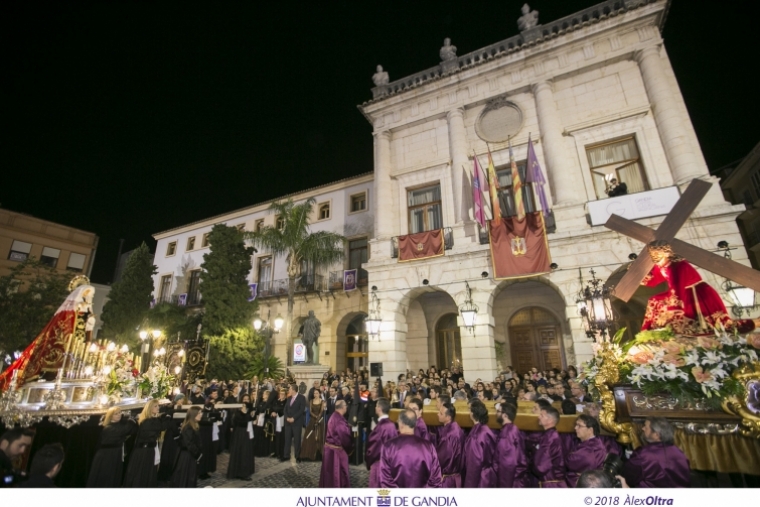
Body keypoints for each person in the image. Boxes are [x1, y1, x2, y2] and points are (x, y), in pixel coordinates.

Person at [640, 240, 756, 335]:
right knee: (654, 300)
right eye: (652, 254)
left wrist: (674, 309)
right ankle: (655, 330)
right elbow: (655, 280)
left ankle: (755, 322)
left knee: (718, 325)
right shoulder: (662, 265)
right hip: (682, 294)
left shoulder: (678, 265)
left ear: (665, 253)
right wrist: (643, 279)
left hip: (697, 294)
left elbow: (677, 286)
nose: (655, 257)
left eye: (656, 254)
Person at [379, 409, 442, 488]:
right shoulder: (429, 446)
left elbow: (386, 480)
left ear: (401, 423)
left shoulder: (388, 446)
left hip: (399, 499)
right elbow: (435, 480)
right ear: (415, 424)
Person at [622, 417, 690, 488]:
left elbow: (627, 477)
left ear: (656, 435)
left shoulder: (644, 455)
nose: (643, 428)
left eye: (646, 427)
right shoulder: (680, 453)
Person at [123, 399, 175, 487]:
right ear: (150, 408)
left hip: (149, 450)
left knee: (148, 472)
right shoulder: (147, 421)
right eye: (155, 406)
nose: (158, 408)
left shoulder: (151, 420)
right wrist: (168, 415)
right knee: (141, 473)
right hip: (144, 451)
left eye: (158, 406)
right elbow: (162, 426)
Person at [86, 406, 137, 487]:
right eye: (116, 414)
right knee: (106, 477)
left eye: (120, 413)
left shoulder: (118, 425)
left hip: (115, 455)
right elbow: (124, 430)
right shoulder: (108, 428)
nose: (119, 415)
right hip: (107, 456)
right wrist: (131, 420)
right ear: (110, 416)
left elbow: (130, 431)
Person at [319, 400, 353, 487]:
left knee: (328, 473)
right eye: (345, 405)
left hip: (329, 450)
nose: (346, 407)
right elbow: (345, 438)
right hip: (336, 453)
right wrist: (350, 449)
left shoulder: (333, 416)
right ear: (342, 407)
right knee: (337, 474)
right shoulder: (340, 420)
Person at [462, 400, 496, 487]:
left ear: (472, 414)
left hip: (480, 479)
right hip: (489, 475)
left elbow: (474, 465)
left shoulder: (475, 436)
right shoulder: (486, 429)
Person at [566, 415, 607, 487]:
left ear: (590, 430)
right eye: (576, 425)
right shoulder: (594, 442)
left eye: (579, 426)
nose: (575, 428)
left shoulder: (592, 449)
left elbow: (569, 462)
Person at [531, 406, 567, 488]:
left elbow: (541, 466)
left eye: (542, 415)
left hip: (551, 483)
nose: (538, 417)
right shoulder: (550, 434)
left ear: (550, 420)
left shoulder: (550, 437)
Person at [365, 398, 398, 487]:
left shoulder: (381, 426)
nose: (375, 408)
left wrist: (368, 460)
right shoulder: (392, 424)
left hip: (379, 464)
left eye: (376, 406)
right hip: (390, 464)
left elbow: (372, 448)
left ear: (379, 408)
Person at [495, 402, 528, 488]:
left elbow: (507, 463)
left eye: (498, 411)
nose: (496, 413)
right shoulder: (511, 429)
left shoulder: (507, 433)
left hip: (509, 482)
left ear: (505, 415)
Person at [171, 406, 203, 488]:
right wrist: (198, 455)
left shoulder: (194, 426)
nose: (201, 415)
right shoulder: (188, 427)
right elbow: (189, 444)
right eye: (199, 413)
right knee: (186, 478)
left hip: (190, 456)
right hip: (187, 457)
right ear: (193, 415)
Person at [435, 402, 465, 487]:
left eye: (441, 413)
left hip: (448, 479)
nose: (438, 414)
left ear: (448, 417)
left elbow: (442, 458)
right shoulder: (456, 427)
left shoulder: (449, 435)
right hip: (456, 476)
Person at [227, 394, 255, 480]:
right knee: (242, 452)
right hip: (240, 433)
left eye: (247, 399)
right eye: (244, 399)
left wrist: (253, 415)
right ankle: (240, 473)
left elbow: (252, 420)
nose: (246, 401)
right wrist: (245, 414)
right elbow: (241, 422)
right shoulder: (238, 410)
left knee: (247, 452)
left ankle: (246, 471)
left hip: (248, 432)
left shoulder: (250, 409)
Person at [197, 390, 221, 479]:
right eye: (211, 402)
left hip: (211, 432)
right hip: (204, 433)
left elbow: (218, 418)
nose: (212, 404)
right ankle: (201, 471)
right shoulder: (203, 410)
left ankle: (207, 469)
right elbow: (203, 420)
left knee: (210, 451)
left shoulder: (214, 409)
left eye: (213, 402)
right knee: (204, 451)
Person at [282, 383, 306, 462]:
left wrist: (294, 418)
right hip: (288, 422)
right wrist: (286, 417)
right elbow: (285, 409)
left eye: (290, 389)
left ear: (294, 390)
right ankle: (286, 455)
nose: (289, 390)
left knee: (297, 440)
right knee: (287, 439)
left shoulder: (301, 398)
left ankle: (297, 456)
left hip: (297, 422)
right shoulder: (288, 398)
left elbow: (301, 410)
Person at [300, 388, 326, 461]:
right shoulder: (311, 401)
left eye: (317, 393)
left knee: (319, 437)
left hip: (320, 421)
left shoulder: (322, 401)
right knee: (310, 437)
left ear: (319, 394)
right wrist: (315, 417)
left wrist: (318, 418)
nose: (315, 394)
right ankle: (309, 454)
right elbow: (310, 411)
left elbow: (322, 411)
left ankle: (319, 454)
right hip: (312, 420)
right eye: (314, 393)